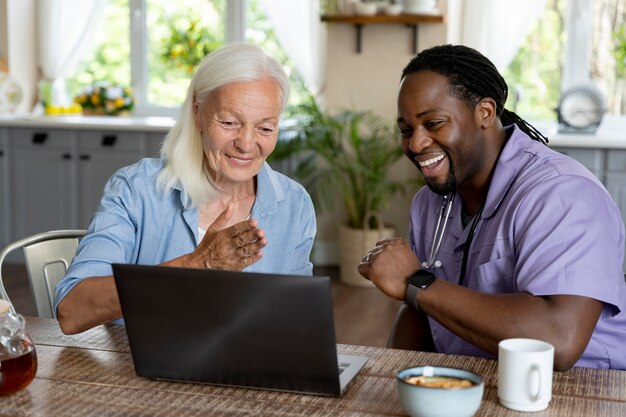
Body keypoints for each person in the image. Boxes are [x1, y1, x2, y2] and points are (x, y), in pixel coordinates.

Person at [358, 44, 626, 371]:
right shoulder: (429, 203)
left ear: (485, 112)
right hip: (471, 380)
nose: (415, 144)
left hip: (581, 389)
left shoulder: (562, 193)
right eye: (405, 130)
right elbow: (419, 308)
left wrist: (417, 282)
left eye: (434, 123)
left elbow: (559, 340)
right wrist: (393, 376)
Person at [55, 44, 316, 335]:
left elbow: (296, 322)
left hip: (247, 373)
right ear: (197, 113)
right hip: (135, 373)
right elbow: (71, 310)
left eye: (265, 128)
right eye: (229, 122)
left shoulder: (295, 204)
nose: (246, 143)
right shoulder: (136, 189)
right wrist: (198, 264)